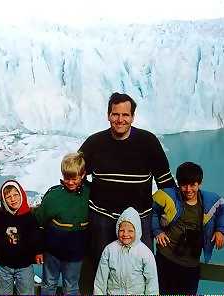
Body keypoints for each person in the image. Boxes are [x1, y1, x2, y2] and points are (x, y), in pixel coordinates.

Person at [79, 92, 176, 293]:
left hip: (140, 222)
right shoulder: (94, 143)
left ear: (132, 117)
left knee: (141, 270)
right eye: (115, 114)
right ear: (108, 115)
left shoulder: (148, 142)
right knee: (102, 269)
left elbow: (165, 183)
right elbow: (75, 176)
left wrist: (172, 214)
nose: (120, 119)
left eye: (125, 115)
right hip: (103, 220)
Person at [152, 161, 224, 294]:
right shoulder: (169, 196)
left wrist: (221, 230)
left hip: (190, 264)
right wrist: (157, 231)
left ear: (199, 183)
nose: (188, 189)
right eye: (184, 185)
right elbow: (153, 211)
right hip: (166, 258)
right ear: (178, 183)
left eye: (193, 185)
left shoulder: (209, 200)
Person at [33, 152, 90, 295]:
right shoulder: (53, 196)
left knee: (71, 286)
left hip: (76, 254)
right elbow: (39, 224)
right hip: (52, 253)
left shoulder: (90, 194)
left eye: (74, 178)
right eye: (66, 178)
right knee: (49, 284)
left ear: (83, 175)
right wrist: (39, 250)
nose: (70, 182)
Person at [0, 180, 42, 295]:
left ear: (21, 195)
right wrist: (0, 248)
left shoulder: (29, 217)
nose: (13, 199)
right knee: (3, 292)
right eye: (8, 197)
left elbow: (37, 236)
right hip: (5, 266)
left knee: (26, 292)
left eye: (16, 195)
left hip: (25, 265)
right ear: (4, 200)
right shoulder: (1, 217)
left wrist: (38, 252)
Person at [94, 207, 159, 295]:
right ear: (117, 230)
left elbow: (152, 282)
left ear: (137, 231)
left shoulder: (145, 253)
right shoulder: (109, 250)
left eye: (130, 231)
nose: (125, 234)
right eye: (121, 230)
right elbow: (100, 280)